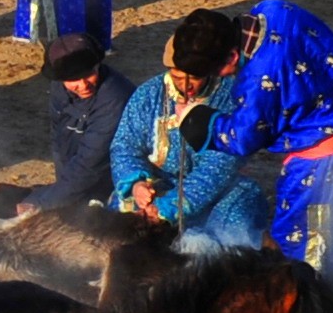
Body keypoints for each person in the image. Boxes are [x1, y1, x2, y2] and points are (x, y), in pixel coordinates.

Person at [191, 0, 333, 269]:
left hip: (326, 163)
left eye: (218, 72)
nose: (221, 78)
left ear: (231, 56)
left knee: (305, 248)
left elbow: (243, 138)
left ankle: (328, 298)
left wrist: (204, 124)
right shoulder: (272, 9)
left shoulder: (258, 81)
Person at [104, 16, 259, 248]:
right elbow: (125, 145)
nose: (185, 85)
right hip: (160, 183)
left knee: (235, 221)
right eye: (177, 77)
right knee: (119, 212)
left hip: (217, 191)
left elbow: (217, 167)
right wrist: (137, 184)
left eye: (194, 78)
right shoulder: (148, 94)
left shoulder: (229, 97)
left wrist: (168, 208)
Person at [13, 36, 129, 215]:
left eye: (89, 74)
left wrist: (41, 202)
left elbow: (91, 162)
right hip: (80, 173)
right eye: (73, 80)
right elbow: (59, 138)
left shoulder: (114, 99)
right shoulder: (59, 88)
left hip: (114, 177)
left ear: (97, 66)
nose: (83, 85)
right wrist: (62, 189)